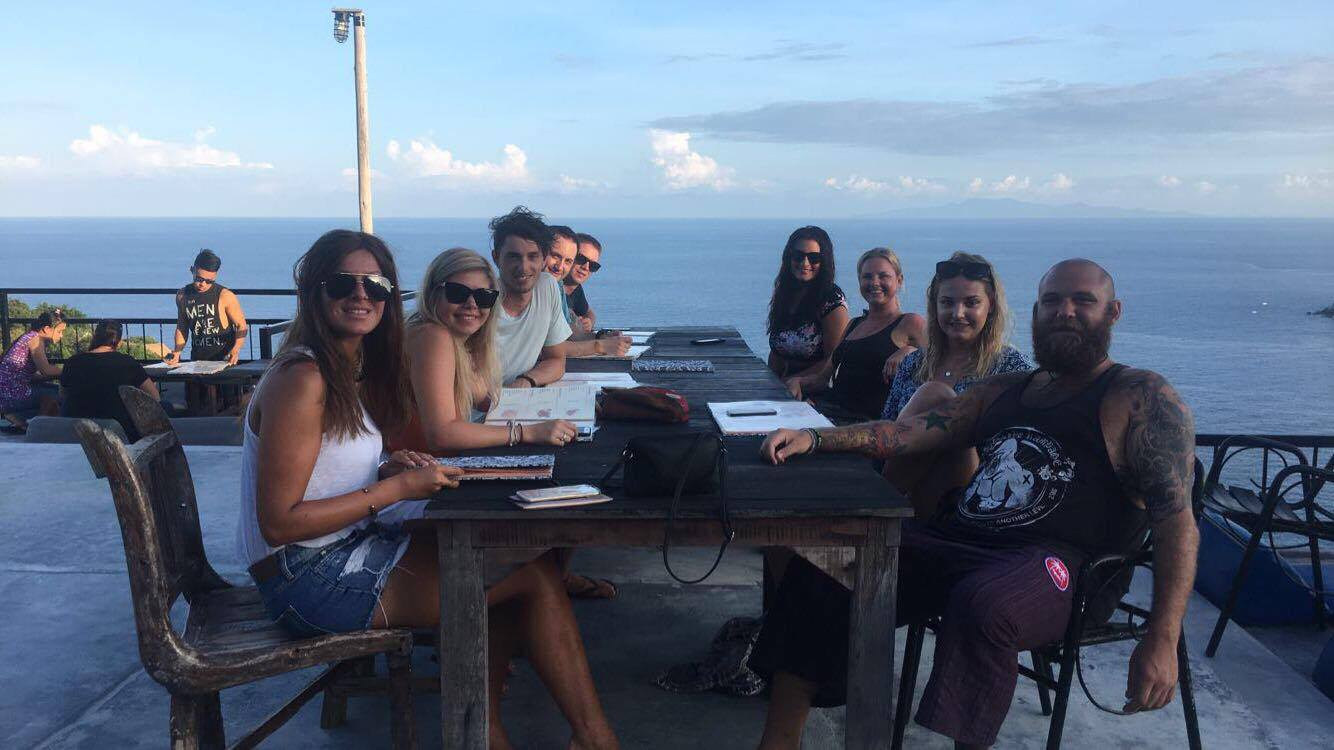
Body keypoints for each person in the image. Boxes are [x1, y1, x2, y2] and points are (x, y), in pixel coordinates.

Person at [752, 259, 1199, 750]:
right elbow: (907, 433)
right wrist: (816, 439)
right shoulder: (1006, 390)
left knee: (985, 603)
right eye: (1052, 301)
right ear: (1036, 311)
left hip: (1059, 565)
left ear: (1112, 313)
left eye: (1082, 301)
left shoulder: (1140, 396)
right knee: (827, 569)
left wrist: (1162, 636)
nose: (1064, 312)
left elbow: (1176, 522)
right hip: (960, 541)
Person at [236, 229, 619, 750]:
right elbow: (279, 522)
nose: (361, 295)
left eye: (376, 285)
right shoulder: (303, 378)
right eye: (343, 283)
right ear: (313, 290)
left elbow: (324, 468)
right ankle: (572, 738)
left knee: (521, 567)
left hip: (342, 550)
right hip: (306, 579)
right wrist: (397, 488)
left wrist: (384, 466)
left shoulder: (339, 366)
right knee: (528, 576)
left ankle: (506, 733)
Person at [879, 252, 1031, 517]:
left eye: (971, 303)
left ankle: (877, 506)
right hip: (908, 491)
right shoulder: (914, 363)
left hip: (973, 497)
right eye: (947, 303)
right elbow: (889, 430)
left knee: (936, 397)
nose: (958, 313)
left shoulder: (1011, 368)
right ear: (935, 306)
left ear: (990, 305)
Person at [402, 246, 580, 450]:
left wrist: (569, 406)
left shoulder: (458, 341)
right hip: (415, 462)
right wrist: (525, 432)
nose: (472, 304)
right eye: (458, 293)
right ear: (434, 293)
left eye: (484, 296)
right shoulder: (432, 336)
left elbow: (487, 401)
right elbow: (442, 434)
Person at [784, 247, 926, 421]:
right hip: (829, 413)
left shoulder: (910, 322)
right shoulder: (854, 324)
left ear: (899, 280)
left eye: (883, 276)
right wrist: (798, 381)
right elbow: (822, 379)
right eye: (867, 277)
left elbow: (940, 362)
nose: (874, 282)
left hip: (866, 425)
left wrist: (912, 352)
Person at [490, 207, 571, 387]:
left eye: (532, 256)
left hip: (516, 398)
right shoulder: (480, 300)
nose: (524, 267)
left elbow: (556, 360)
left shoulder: (546, 287)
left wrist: (526, 381)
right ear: (496, 258)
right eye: (514, 257)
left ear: (544, 259)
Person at [766, 226, 850, 380]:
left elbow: (833, 360)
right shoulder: (786, 294)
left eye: (814, 258)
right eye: (798, 256)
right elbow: (777, 353)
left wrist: (793, 382)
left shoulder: (832, 300)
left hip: (814, 387)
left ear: (824, 261)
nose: (805, 263)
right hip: (781, 385)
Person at [59, 320, 160, 441]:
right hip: (119, 433)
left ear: (95, 337)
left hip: (75, 433)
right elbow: (155, 397)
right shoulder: (127, 363)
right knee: (166, 407)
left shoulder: (73, 362)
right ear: (119, 342)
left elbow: (63, 394)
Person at [546, 227, 630, 358]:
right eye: (580, 259)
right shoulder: (547, 287)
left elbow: (573, 329)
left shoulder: (567, 288)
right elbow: (548, 348)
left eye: (593, 266)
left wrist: (601, 337)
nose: (586, 267)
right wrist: (600, 345)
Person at [165, 249, 249, 366]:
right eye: (199, 279)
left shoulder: (225, 296)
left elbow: (241, 326)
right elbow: (182, 326)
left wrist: (235, 350)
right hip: (197, 360)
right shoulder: (182, 296)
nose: (203, 284)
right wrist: (177, 351)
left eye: (209, 281)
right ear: (192, 270)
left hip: (224, 361)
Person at [0, 310, 66, 429]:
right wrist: (70, 370)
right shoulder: (36, 340)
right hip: (12, 395)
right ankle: (26, 420)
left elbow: (25, 375)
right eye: (59, 331)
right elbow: (46, 370)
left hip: (5, 393)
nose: (61, 336)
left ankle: (18, 416)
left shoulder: (28, 336)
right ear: (46, 329)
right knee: (59, 394)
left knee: (52, 388)